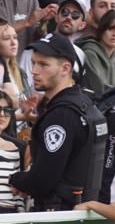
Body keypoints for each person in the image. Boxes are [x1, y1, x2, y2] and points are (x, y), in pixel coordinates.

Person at [9, 33, 106, 211]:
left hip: (59, 217)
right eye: (33, 63)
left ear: (65, 68)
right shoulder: (85, 104)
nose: (34, 71)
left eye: (44, 64)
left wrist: (17, 180)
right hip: (81, 211)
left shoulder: (62, 114)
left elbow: (44, 179)